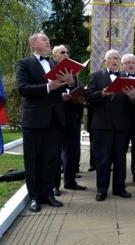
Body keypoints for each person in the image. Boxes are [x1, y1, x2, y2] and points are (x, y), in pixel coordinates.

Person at [16, 33, 74, 212]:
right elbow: (23, 89)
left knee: (51, 159)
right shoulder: (24, 64)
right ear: (34, 45)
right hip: (34, 120)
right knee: (33, 160)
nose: (48, 41)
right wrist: (49, 87)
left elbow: (64, 86)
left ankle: (48, 194)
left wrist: (70, 83)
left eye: (49, 40)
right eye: (44, 39)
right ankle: (34, 197)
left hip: (54, 120)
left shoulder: (55, 64)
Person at [85, 49, 135, 201]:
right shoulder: (96, 76)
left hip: (122, 125)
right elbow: (88, 97)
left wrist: (133, 97)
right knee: (103, 159)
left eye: (117, 58)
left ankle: (119, 188)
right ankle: (102, 190)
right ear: (105, 60)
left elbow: (133, 104)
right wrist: (102, 94)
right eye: (112, 58)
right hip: (102, 125)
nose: (115, 60)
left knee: (120, 159)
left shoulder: (126, 78)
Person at [51, 45, 86, 195]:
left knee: (71, 151)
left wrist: (72, 84)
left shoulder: (73, 74)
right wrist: (60, 97)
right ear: (54, 56)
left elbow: (81, 91)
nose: (66, 54)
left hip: (72, 118)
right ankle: (54, 186)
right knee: (55, 152)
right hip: (55, 118)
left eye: (67, 52)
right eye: (62, 52)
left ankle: (70, 181)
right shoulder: (49, 71)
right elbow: (46, 93)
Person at [120, 53, 135, 185]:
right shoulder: (118, 78)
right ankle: (120, 179)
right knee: (120, 151)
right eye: (128, 62)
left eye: (133, 62)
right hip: (122, 121)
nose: (131, 65)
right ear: (123, 65)